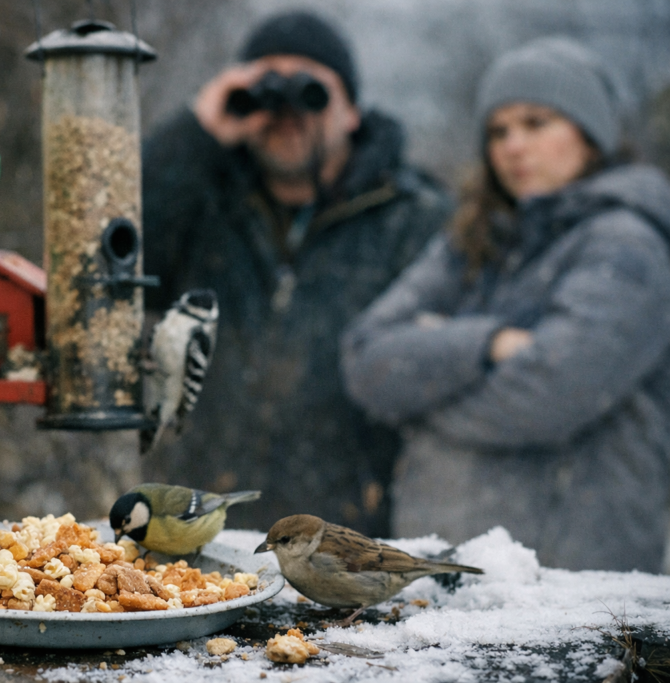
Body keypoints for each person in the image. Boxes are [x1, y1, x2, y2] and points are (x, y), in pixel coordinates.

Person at [341, 37, 670, 572]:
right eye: (498, 131)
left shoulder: (628, 245)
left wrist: (422, 400)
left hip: (574, 579)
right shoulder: (475, 237)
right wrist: (487, 344)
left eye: (536, 123)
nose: (513, 146)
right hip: (449, 564)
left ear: (592, 134)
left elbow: (555, 390)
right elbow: (365, 357)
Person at [141, 11, 452, 536]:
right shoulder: (201, 202)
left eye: (311, 90)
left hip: (353, 536)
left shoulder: (413, 218)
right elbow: (122, 256)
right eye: (265, 88)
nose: (286, 111)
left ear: (352, 112)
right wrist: (197, 131)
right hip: (205, 519)